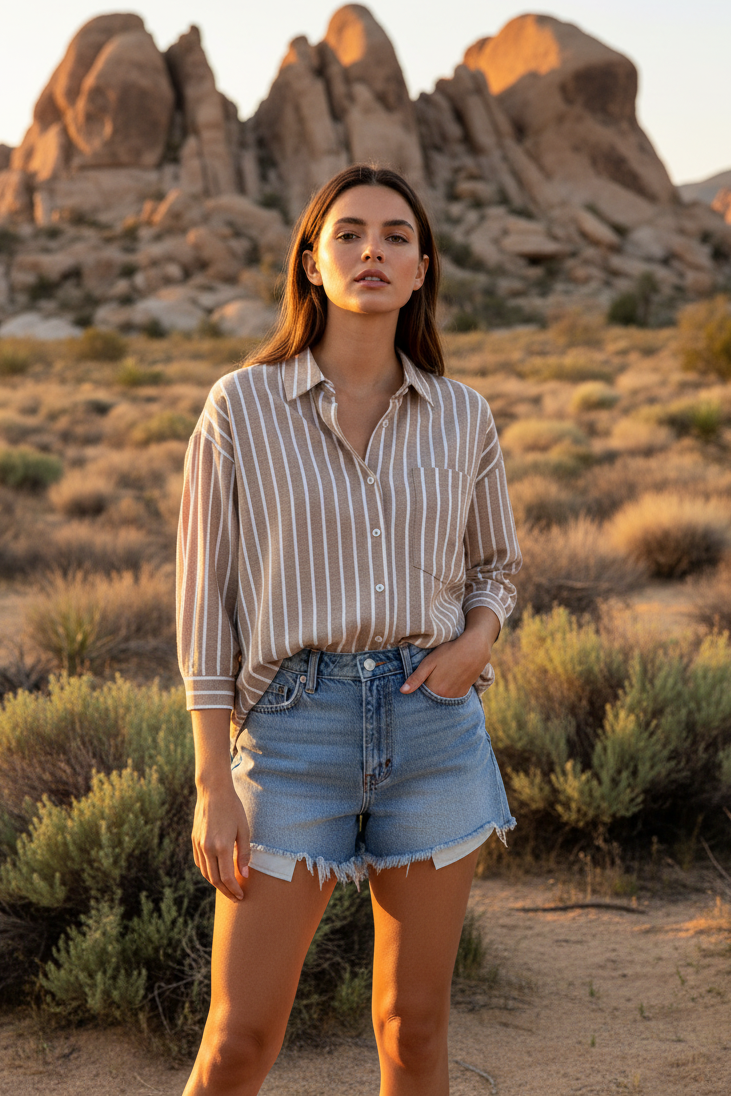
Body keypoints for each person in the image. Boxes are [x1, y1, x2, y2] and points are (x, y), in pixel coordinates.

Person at [176, 163, 521, 1097]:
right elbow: (203, 603)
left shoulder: (462, 415)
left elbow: (497, 564)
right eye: (350, 233)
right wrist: (214, 781)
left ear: (420, 271)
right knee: (241, 1037)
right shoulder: (239, 409)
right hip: (292, 734)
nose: (373, 249)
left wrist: (476, 637)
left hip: (433, 732)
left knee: (414, 1027)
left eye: (397, 236)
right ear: (312, 263)